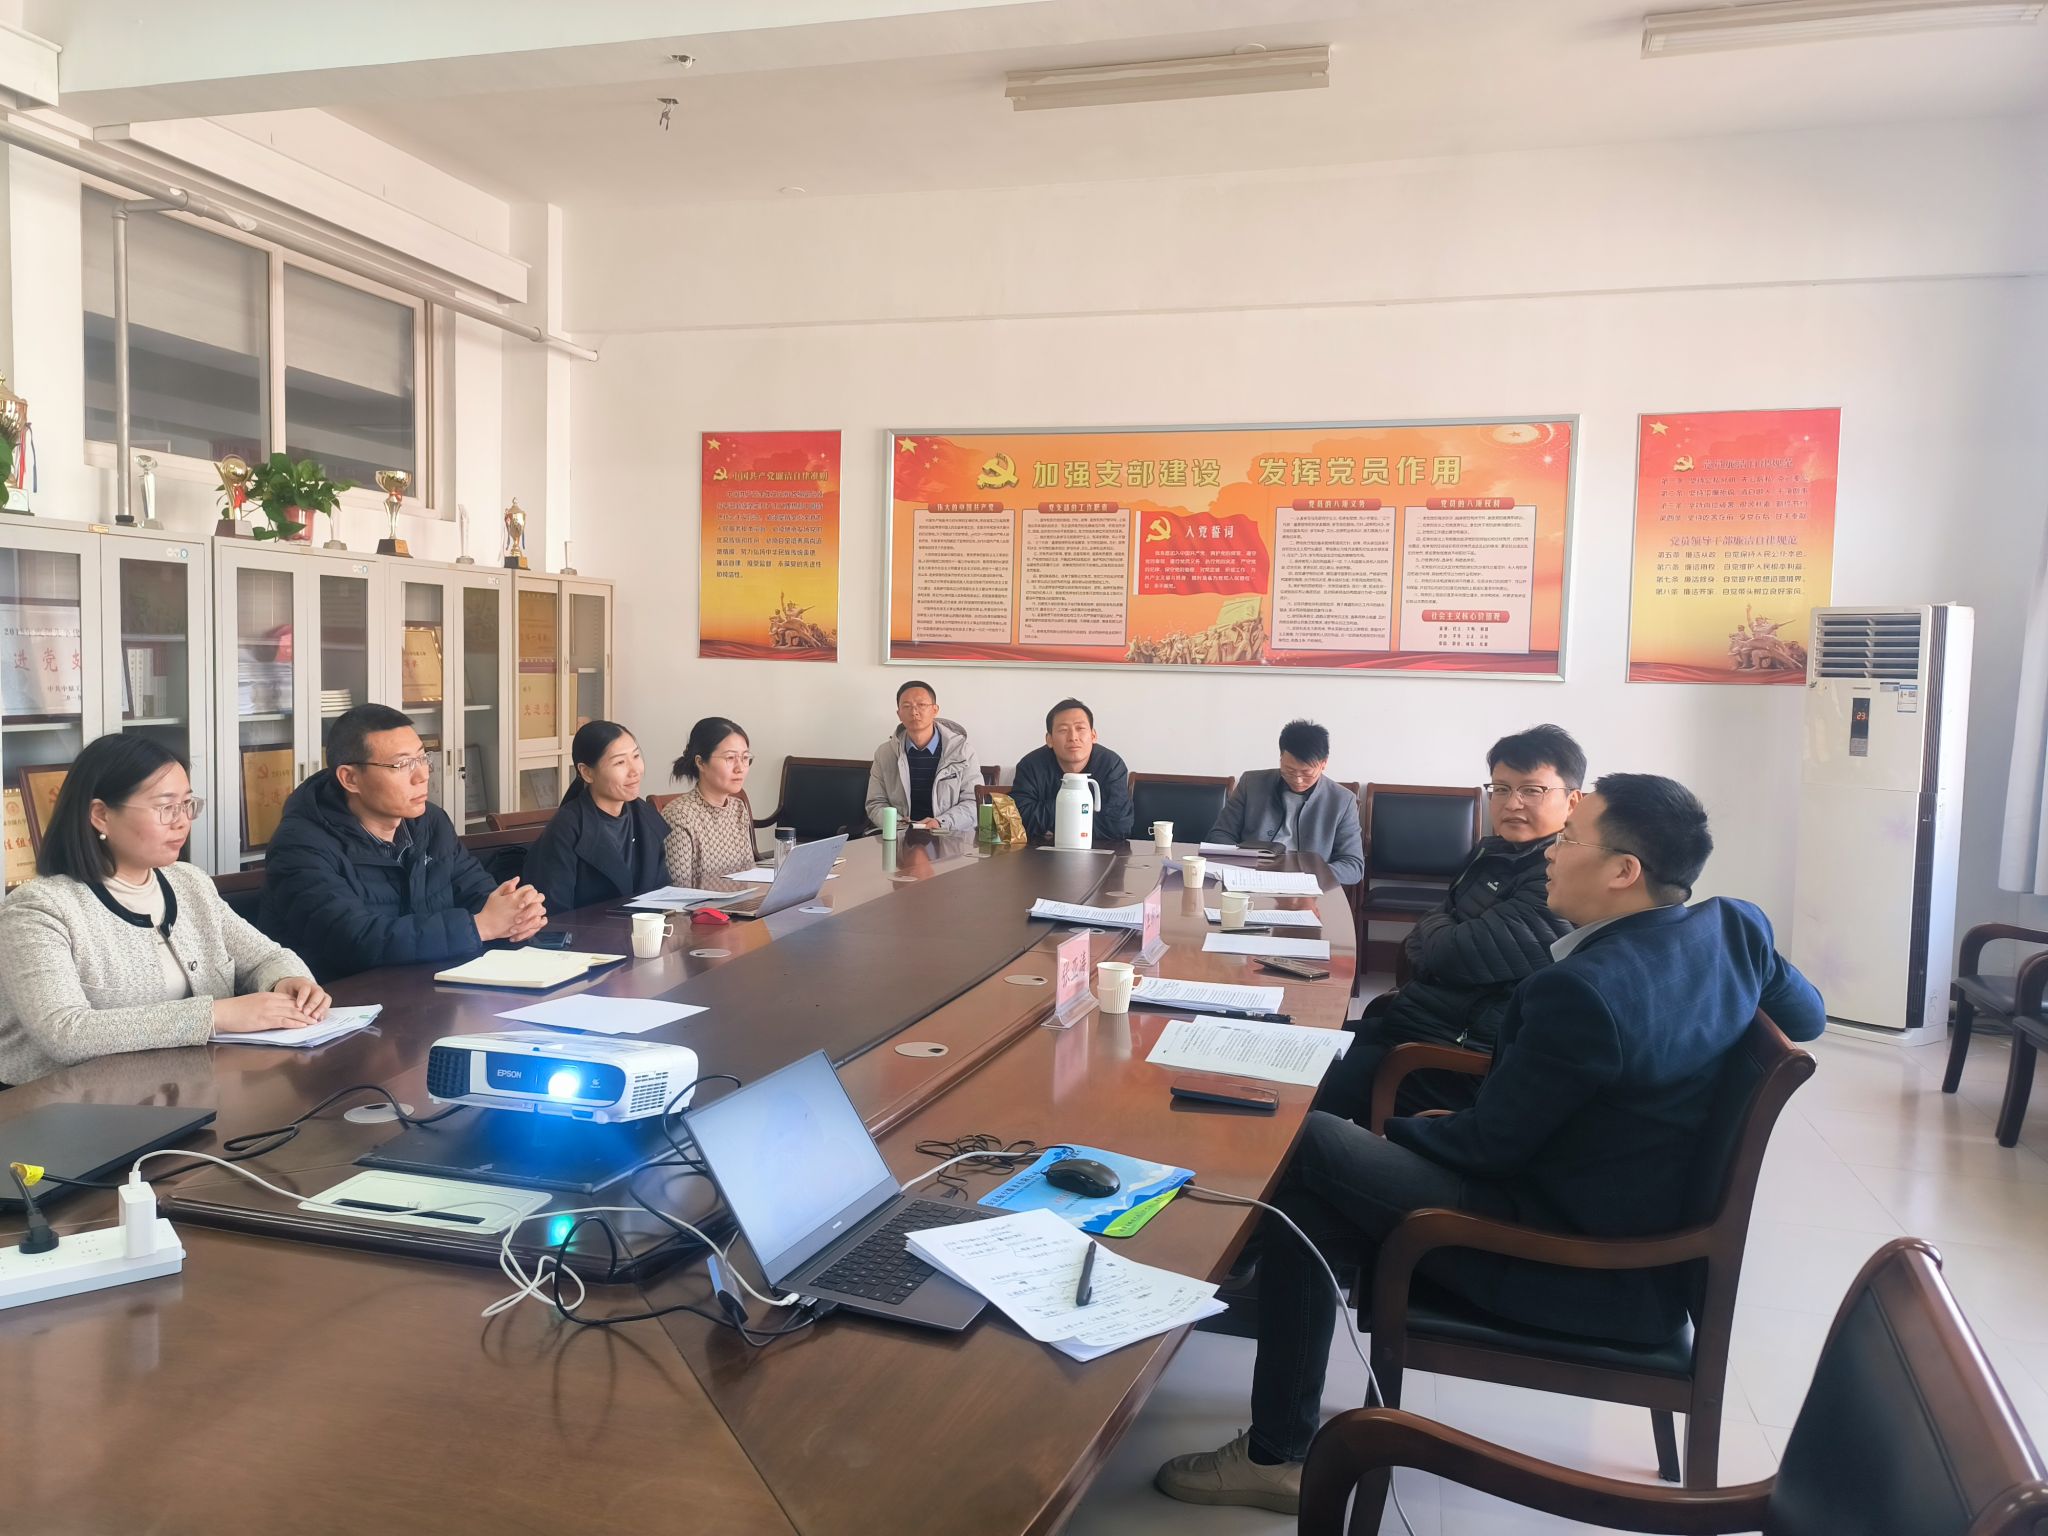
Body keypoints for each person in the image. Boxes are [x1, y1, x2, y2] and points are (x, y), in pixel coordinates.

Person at [1156, 774, 1825, 1514]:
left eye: (1570, 839)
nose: (1551, 853)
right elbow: (1807, 1017)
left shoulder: (1584, 993)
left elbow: (1488, 1150)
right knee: (1311, 1203)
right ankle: (1275, 1446)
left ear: (1623, 871)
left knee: (1311, 1138)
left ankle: (1202, 1300)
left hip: (1570, 1260)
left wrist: (1402, 1132)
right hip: (1638, 1235)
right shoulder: (1734, 927)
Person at [0, 735, 329, 1085]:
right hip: (66, 1103)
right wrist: (215, 1015)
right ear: (100, 815)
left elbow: (266, 957)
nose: (182, 821)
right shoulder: (39, 909)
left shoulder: (188, 882)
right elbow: (65, 1032)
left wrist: (288, 980)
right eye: (166, 807)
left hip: (191, 1085)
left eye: (187, 804)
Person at [1315, 724, 1584, 1122]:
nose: (1512, 804)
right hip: (1419, 1022)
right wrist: (1442, 933)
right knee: (1295, 1044)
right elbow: (1428, 931)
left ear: (1572, 801)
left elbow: (1453, 953)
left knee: (1298, 1086)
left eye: (1532, 790)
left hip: (1451, 1060)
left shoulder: (1559, 879)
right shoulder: (1493, 852)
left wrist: (1440, 934)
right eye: (1501, 789)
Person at [262, 703, 545, 982]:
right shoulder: (299, 846)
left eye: (422, 758)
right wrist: (480, 927)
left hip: (431, 988)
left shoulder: (430, 822)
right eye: (402, 764)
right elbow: (356, 940)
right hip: (344, 1000)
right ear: (350, 779)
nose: (422, 775)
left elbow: (475, 891)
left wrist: (516, 914)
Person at [523, 721, 669, 916]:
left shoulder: (645, 815)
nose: (635, 770)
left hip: (646, 931)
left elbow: (662, 894)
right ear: (587, 772)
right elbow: (553, 914)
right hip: (586, 933)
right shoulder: (567, 828)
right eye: (620, 762)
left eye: (636, 756)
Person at [1209, 719, 1363, 884]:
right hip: (1251, 878)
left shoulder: (1342, 801)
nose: (1297, 780)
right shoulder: (1251, 783)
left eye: (1306, 773)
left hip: (1307, 886)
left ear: (1323, 764)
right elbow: (1220, 835)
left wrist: (1306, 873)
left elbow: (1353, 866)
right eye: (1289, 770)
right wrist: (1244, 862)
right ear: (1281, 758)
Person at [1010, 698, 1134, 843]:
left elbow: (1119, 825)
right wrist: (1081, 810)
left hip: (1100, 852)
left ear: (1093, 736)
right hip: (1042, 853)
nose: (1073, 737)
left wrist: (1054, 819)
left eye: (1080, 728)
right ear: (1049, 739)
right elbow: (1018, 821)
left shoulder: (1111, 765)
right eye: (1063, 730)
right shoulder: (1031, 765)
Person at [865, 680, 978, 834]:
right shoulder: (885, 753)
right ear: (899, 714)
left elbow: (973, 802)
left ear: (935, 710)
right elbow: (875, 803)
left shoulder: (962, 751)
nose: (914, 712)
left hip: (948, 836)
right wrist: (899, 824)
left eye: (921, 705)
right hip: (900, 836)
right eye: (907, 706)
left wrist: (940, 822)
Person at [663, 717, 760, 887]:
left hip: (740, 901)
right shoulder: (679, 816)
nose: (740, 768)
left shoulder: (737, 808)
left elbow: (748, 875)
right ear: (701, 762)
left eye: (745, 758)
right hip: (699, 904)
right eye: (730, 758)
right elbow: (679, 890)